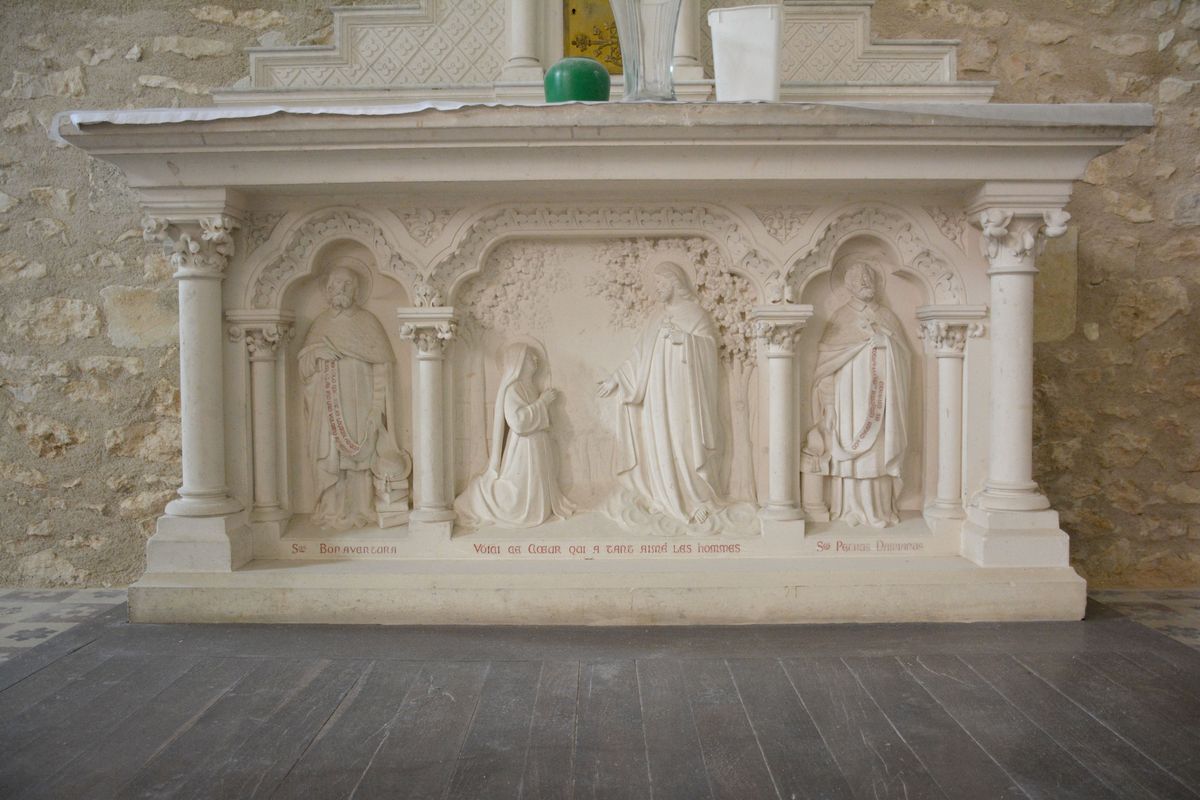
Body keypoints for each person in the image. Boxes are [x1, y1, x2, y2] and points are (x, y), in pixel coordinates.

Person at [598, 261, 724, 525]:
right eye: (655, 285)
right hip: (655, 391)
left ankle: (694, 499)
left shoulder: (695, 314)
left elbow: (710, 351)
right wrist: (617, 378)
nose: (657, 289)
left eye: (661, 284)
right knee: (658, 441)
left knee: (682, 439)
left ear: (675, 283)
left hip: (683, 391)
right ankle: (664, 498)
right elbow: (638, 356)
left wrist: (686, 341)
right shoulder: (656, 318)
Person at [299, 263, 407, 529]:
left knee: (361, 459)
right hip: (329, 408)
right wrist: (316, 355)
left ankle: (362, 509)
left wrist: (376, 407)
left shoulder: (368, 323)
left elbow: (382, 364)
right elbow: (304, 368)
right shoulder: (321, 324)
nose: (341, 289)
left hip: (361, 403)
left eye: (347, 284)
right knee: (333, 459)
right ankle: (332, 512)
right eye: (336, 284)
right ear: (327, 289)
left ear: (357, 290)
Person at [809, 258, 910, 527]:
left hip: (878, 400)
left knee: (875, 455)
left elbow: (904, 357)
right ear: (849, 286)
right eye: (859, 280)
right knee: (849, 454)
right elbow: (826, 364)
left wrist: (885, 341)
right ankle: (848, 509)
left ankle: (877, 511)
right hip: (848, 402)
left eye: (870, 279)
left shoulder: (887, 317)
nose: (866, 284)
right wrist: (828, 405)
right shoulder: (841, 317)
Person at [457, 341, 574, 528]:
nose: (535, 359)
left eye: (535, 356)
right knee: (519, 494)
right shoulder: (513, 389)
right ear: (518, 362)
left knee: (536, 488)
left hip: (536, 445)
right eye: (529, 357)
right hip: (523, 448)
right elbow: (518, 422)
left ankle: (538, 509)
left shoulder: (530, 387)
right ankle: (482, 496)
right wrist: (542, 403)